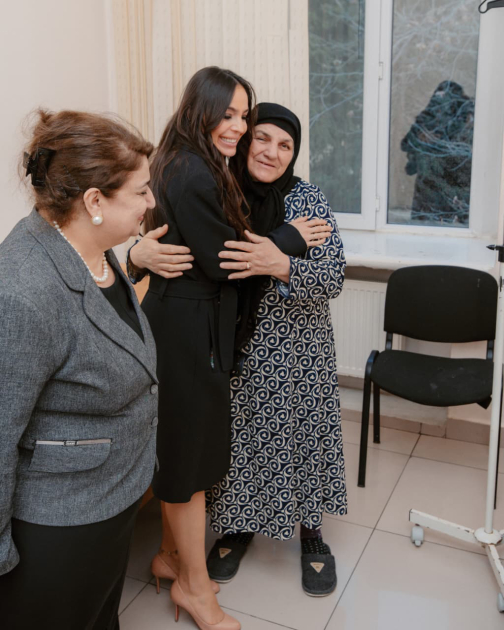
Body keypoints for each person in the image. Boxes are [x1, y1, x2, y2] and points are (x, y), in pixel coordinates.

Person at [0, 109, 159, 629]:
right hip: (60, 524)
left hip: (111, 496)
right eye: (141, 191)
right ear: (94, 201)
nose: (151, 202)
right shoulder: (23, 292)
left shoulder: (93, 249)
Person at [127, 66, 256, 630]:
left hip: (182, 319)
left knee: (184, 449)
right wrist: (287, 241)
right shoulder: (194, 172)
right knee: (189, 462)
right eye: (227, 114)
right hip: (186, 327)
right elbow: (226, 261)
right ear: (200, 110)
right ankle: (195, 588)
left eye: (244, 115)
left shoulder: (181, 161)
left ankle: (169, 557)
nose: (239, 126)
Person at [205, 103, 347, 597]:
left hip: (300, 349)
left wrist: (278, 263)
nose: (272, 152)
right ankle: (239, 524)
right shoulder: (221, 193)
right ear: (245, 141)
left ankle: (311, 533)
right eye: (262, 138)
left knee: (303, 435)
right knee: (242, 440)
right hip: (238, 347)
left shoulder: (307, 198)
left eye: (285, 144)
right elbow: (211, 260)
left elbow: (333, 276)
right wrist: (138, 253)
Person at [400, 80, 474, 224]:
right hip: (427, 189)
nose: (441, 109)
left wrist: (439, 141)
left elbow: (465, 151)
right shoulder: (428, 117)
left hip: (453, 187)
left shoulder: (464, 119)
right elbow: (406, 144)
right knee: (421, 230)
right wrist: (420, 139)